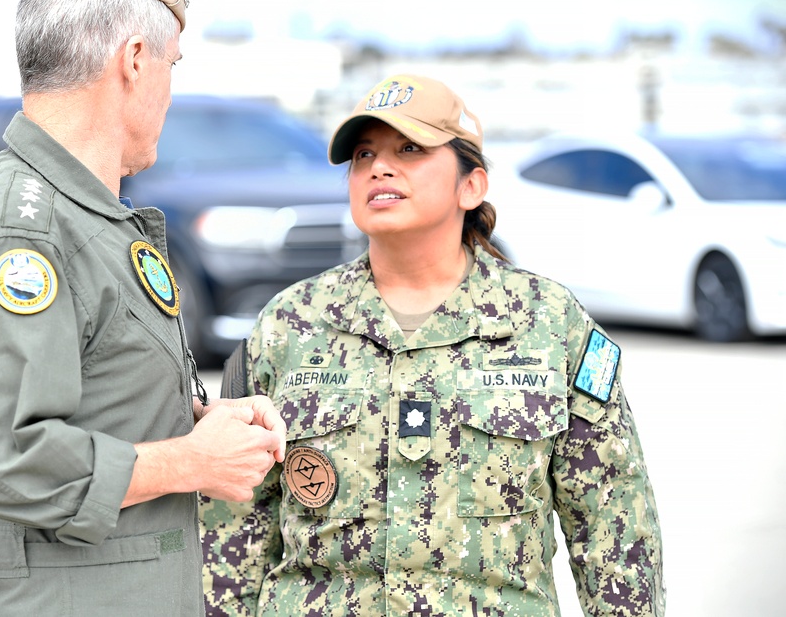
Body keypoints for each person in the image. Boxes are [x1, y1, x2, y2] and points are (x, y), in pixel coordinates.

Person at [200, 74, 665, 616]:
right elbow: (233, 529)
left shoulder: (548, 323)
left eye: (411, 149)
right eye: (363, 154)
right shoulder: (289, 325)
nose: (379, 166)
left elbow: (615, 525)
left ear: (471, 186)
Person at [0, 0, 286, 615]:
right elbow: (3, 457)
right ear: (135, 58)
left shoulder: (82, 215)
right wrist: (188, 462)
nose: (170, 92)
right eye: (173, 67)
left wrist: (205, 429)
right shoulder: (26, 232)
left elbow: (96, 396)